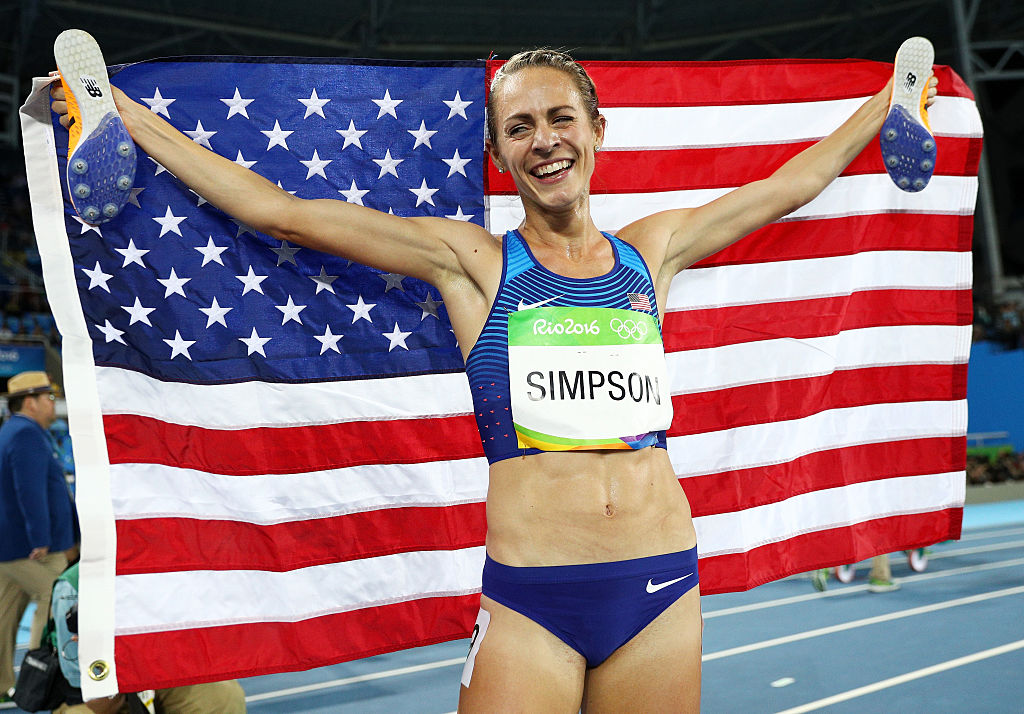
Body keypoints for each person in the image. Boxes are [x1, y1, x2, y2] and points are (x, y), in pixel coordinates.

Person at [51, 41, 938, 711]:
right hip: (534, 598)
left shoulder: (653, 252)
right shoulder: (473, 263)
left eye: (560, 119)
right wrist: (121, 114)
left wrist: (887, 104)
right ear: (499, 153)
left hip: (663, 583)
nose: (544, 140)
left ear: (597, 130)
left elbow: (784, 189)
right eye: (520, 127)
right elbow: (278, 212)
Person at [48, 562, 247, 713]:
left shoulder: (168, 568)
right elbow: (89, 694)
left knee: (223, 695)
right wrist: (101, 654)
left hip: (162, 671)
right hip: (105, 687)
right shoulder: (74, 587)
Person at [0, 370, 77, 701]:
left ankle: (3, 685)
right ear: (30, 402)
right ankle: (37, 677)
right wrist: (40, 537)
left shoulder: (15, 431)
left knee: (5, 615)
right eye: (48, 398)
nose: (52, 404)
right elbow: (29, 490)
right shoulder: (25, 435)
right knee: (53, 597)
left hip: (13, 545)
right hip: (30, 546)